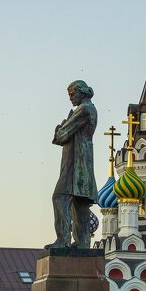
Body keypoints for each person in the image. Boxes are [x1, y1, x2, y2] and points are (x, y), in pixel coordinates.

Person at [48, 79, 99, 248]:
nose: (70, 97)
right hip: (83, 160)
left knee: (59, 197)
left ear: (82, 92)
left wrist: (60, 128)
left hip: (75, 161)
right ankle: (83, 242)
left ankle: (63, 240)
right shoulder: (90, 109)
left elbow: (61, 136)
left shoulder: (84, 109)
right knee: (80, 203)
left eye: (72, 94)